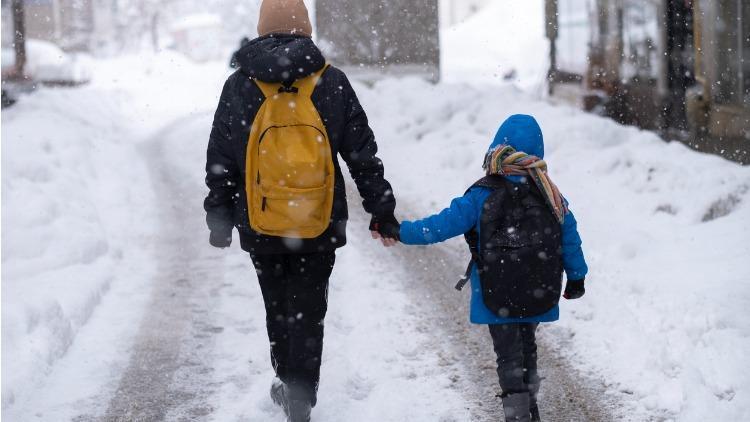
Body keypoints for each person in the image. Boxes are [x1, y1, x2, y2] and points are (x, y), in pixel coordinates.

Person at [203, 1, 399, 420]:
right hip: (319, 219)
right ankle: (300, 394)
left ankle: (285, 376)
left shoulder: (239, 86)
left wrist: (219, 216)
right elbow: (362, 155)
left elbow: (221, 158)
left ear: (260, 29)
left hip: (261, 220)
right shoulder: (332, 82)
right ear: (306, 29)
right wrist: (381, 209)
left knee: (277, 305)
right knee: (309, 309)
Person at [389, 114, 588, 422]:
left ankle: (518, 414)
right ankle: (529, 407)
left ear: (497, 147)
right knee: (527, 348)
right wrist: (576, 278)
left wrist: (401, 232)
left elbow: (441, 226)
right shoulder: (549, 194)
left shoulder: (482, 193)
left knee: (508, 354)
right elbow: (569, 238)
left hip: (497, 293)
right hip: (538, 289)